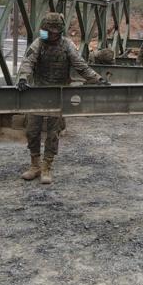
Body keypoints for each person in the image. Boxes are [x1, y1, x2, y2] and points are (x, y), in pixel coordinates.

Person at [16, 12, 109, 184]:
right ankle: (34, 165)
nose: (48, 34)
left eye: (52, 31)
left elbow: (81, 66)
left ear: (59, 31)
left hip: (58, 93)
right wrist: (23, 78)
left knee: (53, 132)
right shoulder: (39, 43)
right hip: (38, 93)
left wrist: (98, 79)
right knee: (32, 130)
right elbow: (27, 61)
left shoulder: (67, 45)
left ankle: (47, 166)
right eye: (46, 31)